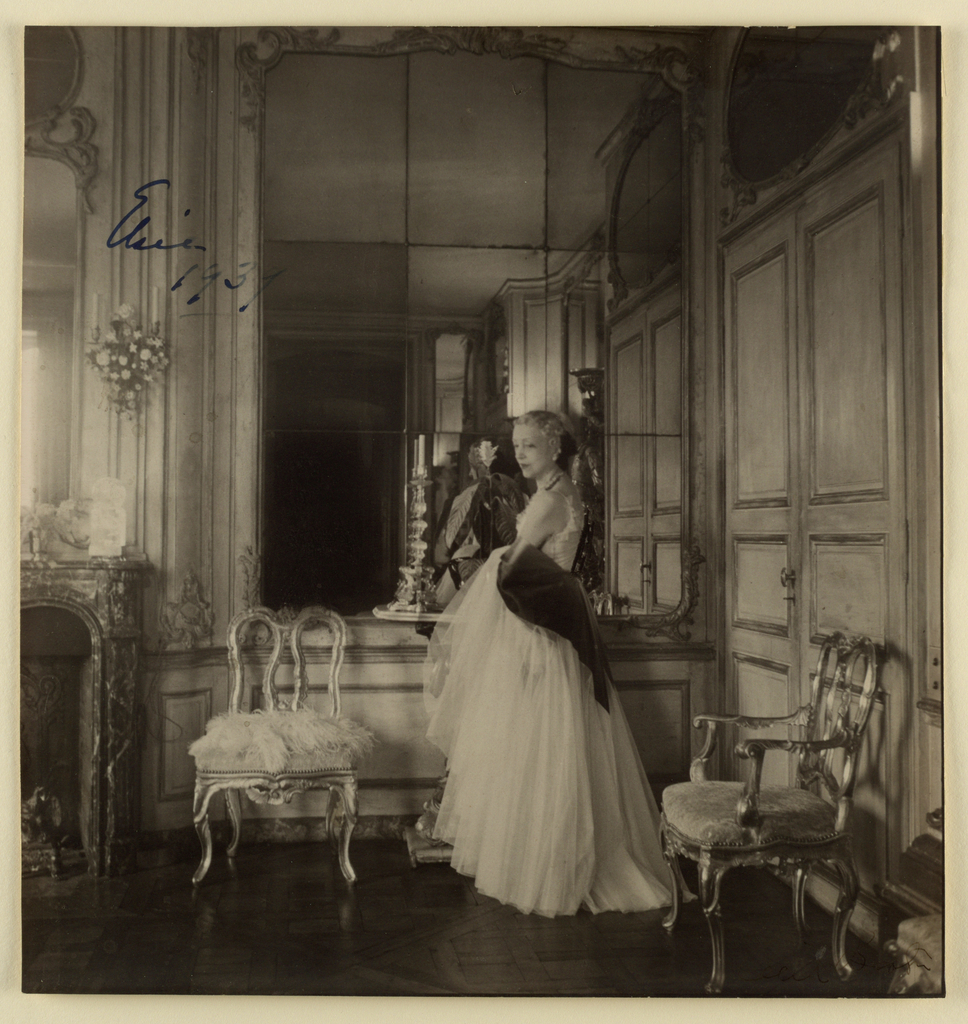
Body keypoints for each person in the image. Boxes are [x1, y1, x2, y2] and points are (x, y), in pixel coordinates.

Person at [424, 410, 674, 917]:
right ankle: (543, 858)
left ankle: (548, 868)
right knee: (546, 745)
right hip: (549, 624)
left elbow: (512, 570)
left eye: (530, 445)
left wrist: (481, 569)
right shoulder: (560, 492)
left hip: (539, 630)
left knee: (538, 746)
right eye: (516, 444)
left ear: (554, 448)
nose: (520, 453)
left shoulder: (548, 501)